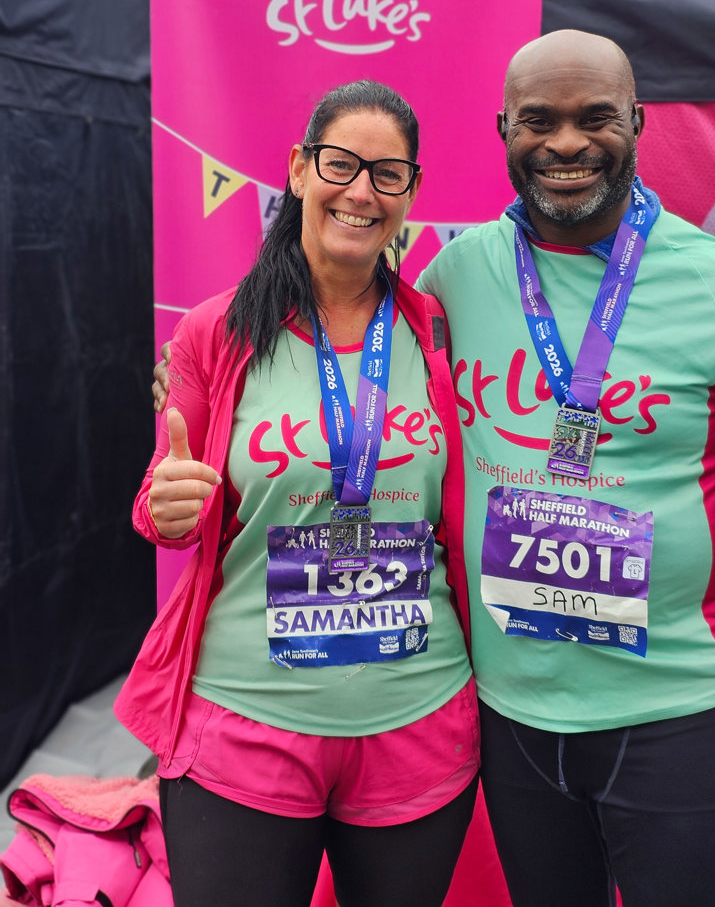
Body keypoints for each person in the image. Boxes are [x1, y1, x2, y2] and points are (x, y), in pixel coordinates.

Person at [152, 33, 715, 907]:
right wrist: (201, 369)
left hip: (672, 714)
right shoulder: (454, 280)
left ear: (638, 124)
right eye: (539, 120)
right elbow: (343, 362)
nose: (567, 143)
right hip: (514, 721)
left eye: (595, 119)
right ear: (504, 131)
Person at [117, 81, 479, 907]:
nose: (361, 191)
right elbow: (161, 502)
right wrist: (165, 506)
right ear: (299, 169)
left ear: (411, 193)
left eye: (387, 174)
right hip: (247, 719)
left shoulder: (437, 331)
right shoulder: (218, 330)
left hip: (416, 718)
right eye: (341, 164)